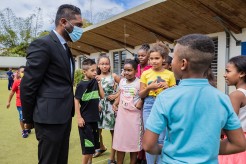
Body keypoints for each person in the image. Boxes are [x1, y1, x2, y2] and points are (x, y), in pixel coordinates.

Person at [143, 34, 246, 163]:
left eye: (173, 58)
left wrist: (168, 149)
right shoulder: (222, 99)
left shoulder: (166, 97)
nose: (168, 61)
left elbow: (148, 145)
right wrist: (206, 150)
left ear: (183, 63)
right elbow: (239, 144)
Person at [20, 4, 83, 164]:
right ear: (63, 22)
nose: (80, 30)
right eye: (78, 25)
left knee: (61, 159)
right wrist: (28, 118)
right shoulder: (43, 44)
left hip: (64, 117)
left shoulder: (65, 48)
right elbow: (28, 85)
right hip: (48, 119)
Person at [139, 42, 176, 163]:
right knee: (149, 138)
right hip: (149, 104)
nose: (153, 61)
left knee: (161, 138)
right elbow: (141, 94)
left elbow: (175, 95)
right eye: (151, 59)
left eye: (156, 58)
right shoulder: (145, 73)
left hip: (165, 105)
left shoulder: (170, 74)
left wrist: (168, 88)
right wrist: (150, 88)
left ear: (163, 58)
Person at [112, 59, 143, 164]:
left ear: (135, 71)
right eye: (125, 70)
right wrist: (115, 103)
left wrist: (140, 102)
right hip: (122, 117)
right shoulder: (121, 81)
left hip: (134, 118)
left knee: (133, 144)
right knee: (120, 143)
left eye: (129, 70)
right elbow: (120, 95)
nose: (126, 72)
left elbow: (144, 97)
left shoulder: (139, 83)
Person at [74, 59, 104, 164]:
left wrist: (99, 83)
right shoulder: (81, 85)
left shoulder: (95, 81)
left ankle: (90, 162)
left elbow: (102, 95)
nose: (95, 72)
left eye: (96, 70)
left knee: (93, 146)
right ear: (84, 72)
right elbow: (76, 100)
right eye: (92, 70)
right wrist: (79, 117)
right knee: (87, 148)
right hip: (85, 121)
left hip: (94, 119)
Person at [219, 55, 246, 164]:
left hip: (235, 141)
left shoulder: (236, 95)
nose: (224, 75)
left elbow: (229, 124)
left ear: (242, 73)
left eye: (228, 71)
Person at [94, 55, 120, 164]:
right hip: (100, 105)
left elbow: (125, 86)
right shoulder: (96, 77)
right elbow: (96, 93)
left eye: (107, 64)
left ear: (110, 65)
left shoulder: (113, 76)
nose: (105, 66)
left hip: (111, 106)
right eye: (102, 64)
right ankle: (101, 147)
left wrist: (116, 95)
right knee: (97, 130)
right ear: (98, 65)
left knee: (113, 131)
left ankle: (112, 157)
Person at [136, 43, 151, 164]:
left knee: (147, 129)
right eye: (138, 55)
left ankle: (146, 156)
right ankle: (139, 155)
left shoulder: (150, 69)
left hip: (146, 102)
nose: (140, 57)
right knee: (139, 129)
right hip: (135, 102)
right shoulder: (137, 67)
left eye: (143, 55)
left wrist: (141, 100)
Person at [6, 66, 30, 138]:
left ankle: (27, 127)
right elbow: (12, 92)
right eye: (22, 72)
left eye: (25, 72)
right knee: (22, 117)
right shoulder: (16, 82)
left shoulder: (29, 81)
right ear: (18, 73)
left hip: (28, 103)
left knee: (28, 116)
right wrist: (8, 102)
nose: (24, 73)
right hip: (20, 104)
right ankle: (23, 130)